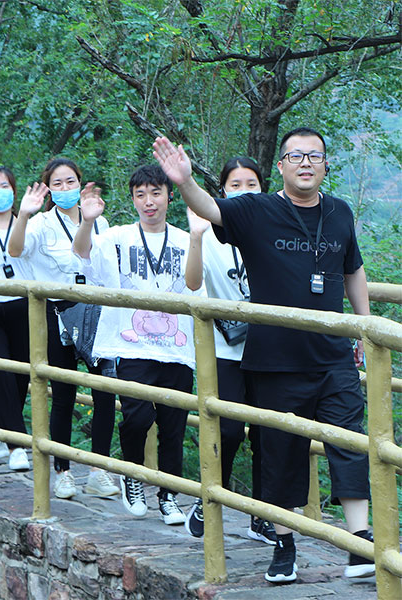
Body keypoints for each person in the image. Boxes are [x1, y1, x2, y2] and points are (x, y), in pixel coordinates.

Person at [153, 128, 373, 583]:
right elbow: (210, 209)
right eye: (296, 156)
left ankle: (360, 543)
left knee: (350, 443)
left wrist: (364, 328)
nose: (306, 163)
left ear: (326, 164)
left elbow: (353, 270)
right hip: (276, 358)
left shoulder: (339, 212)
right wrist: (184, 182)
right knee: (280, 452)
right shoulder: (257, 209)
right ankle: (284, 545)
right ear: (282, 165)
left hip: (333, 355)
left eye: (315, 155)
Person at [73, 164, 203, 526]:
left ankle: (169, 495)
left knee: (174, 424)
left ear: (169, 197)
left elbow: (196, 285)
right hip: (133, 347)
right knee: (137, 417)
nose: (149, 202)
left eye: (156, 193)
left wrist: (197, 236)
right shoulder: (118, 237)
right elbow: (82, 254)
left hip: (176, 348)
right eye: (141, 194)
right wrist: (87, 221)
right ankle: (133, 475)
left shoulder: (185, 239)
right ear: (132, 200)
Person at [8, 158, 119, 500]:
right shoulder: (40, 223)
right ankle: (63, 472)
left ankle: (98, 470)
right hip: (57, 314)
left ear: (80, 184)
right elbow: (15, 250)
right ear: (48, 188)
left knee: (105, 392)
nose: (65, 188)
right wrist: (23, 214)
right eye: (57, 183)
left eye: (70, 181)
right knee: (63, 394)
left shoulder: (99, 220)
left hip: (96, 312)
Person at [184, 157, 276, 545]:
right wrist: (195, 236)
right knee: (229, 429)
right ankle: (209, 496)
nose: (243, 192)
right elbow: (192, 284)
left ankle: (263, 515)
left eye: (251, 184)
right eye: (235, 185)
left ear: (264, 189)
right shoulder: (209, 231)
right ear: (222, 191)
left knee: (268, 435)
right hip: (225, 349)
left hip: (269, 349)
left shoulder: (274, 229)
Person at [0, 167, 47, 470]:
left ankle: (0, 428)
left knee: (21, 376)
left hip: (22, 308)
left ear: (14, 191)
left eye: (5, 185)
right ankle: (17, 444)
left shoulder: (29, 224)